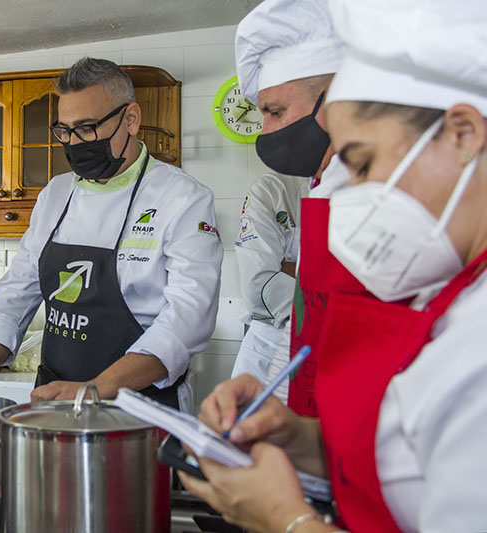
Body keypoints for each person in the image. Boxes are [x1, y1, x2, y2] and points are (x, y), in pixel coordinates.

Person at [181, 1, 487, 531]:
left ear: (463, 134)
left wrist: (286, 520)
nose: (351, 195)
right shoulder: (452, 295)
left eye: (361, 164)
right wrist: (300, 438)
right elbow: (409, 461)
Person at [0, 58, 223, 410]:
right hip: (54, 403)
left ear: (131, 119)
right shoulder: (55, 194)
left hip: (143, 410)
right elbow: (16, 293)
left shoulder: (183, 198)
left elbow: (187, 320)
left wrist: (96, 388)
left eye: (86, 128)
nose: (74, 143)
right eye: (64, 131)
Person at [234, 0, 357, 416]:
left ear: (334, 98)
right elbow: (299, 299)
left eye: (275, 112)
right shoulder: (319, 187)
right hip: (288, 354)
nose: (265, 131)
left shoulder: (363, 191)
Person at [232, 172, 308, 402]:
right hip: (267, 348)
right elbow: (257, 283)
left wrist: (290, 270)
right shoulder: (271, 189)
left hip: (338, 351)